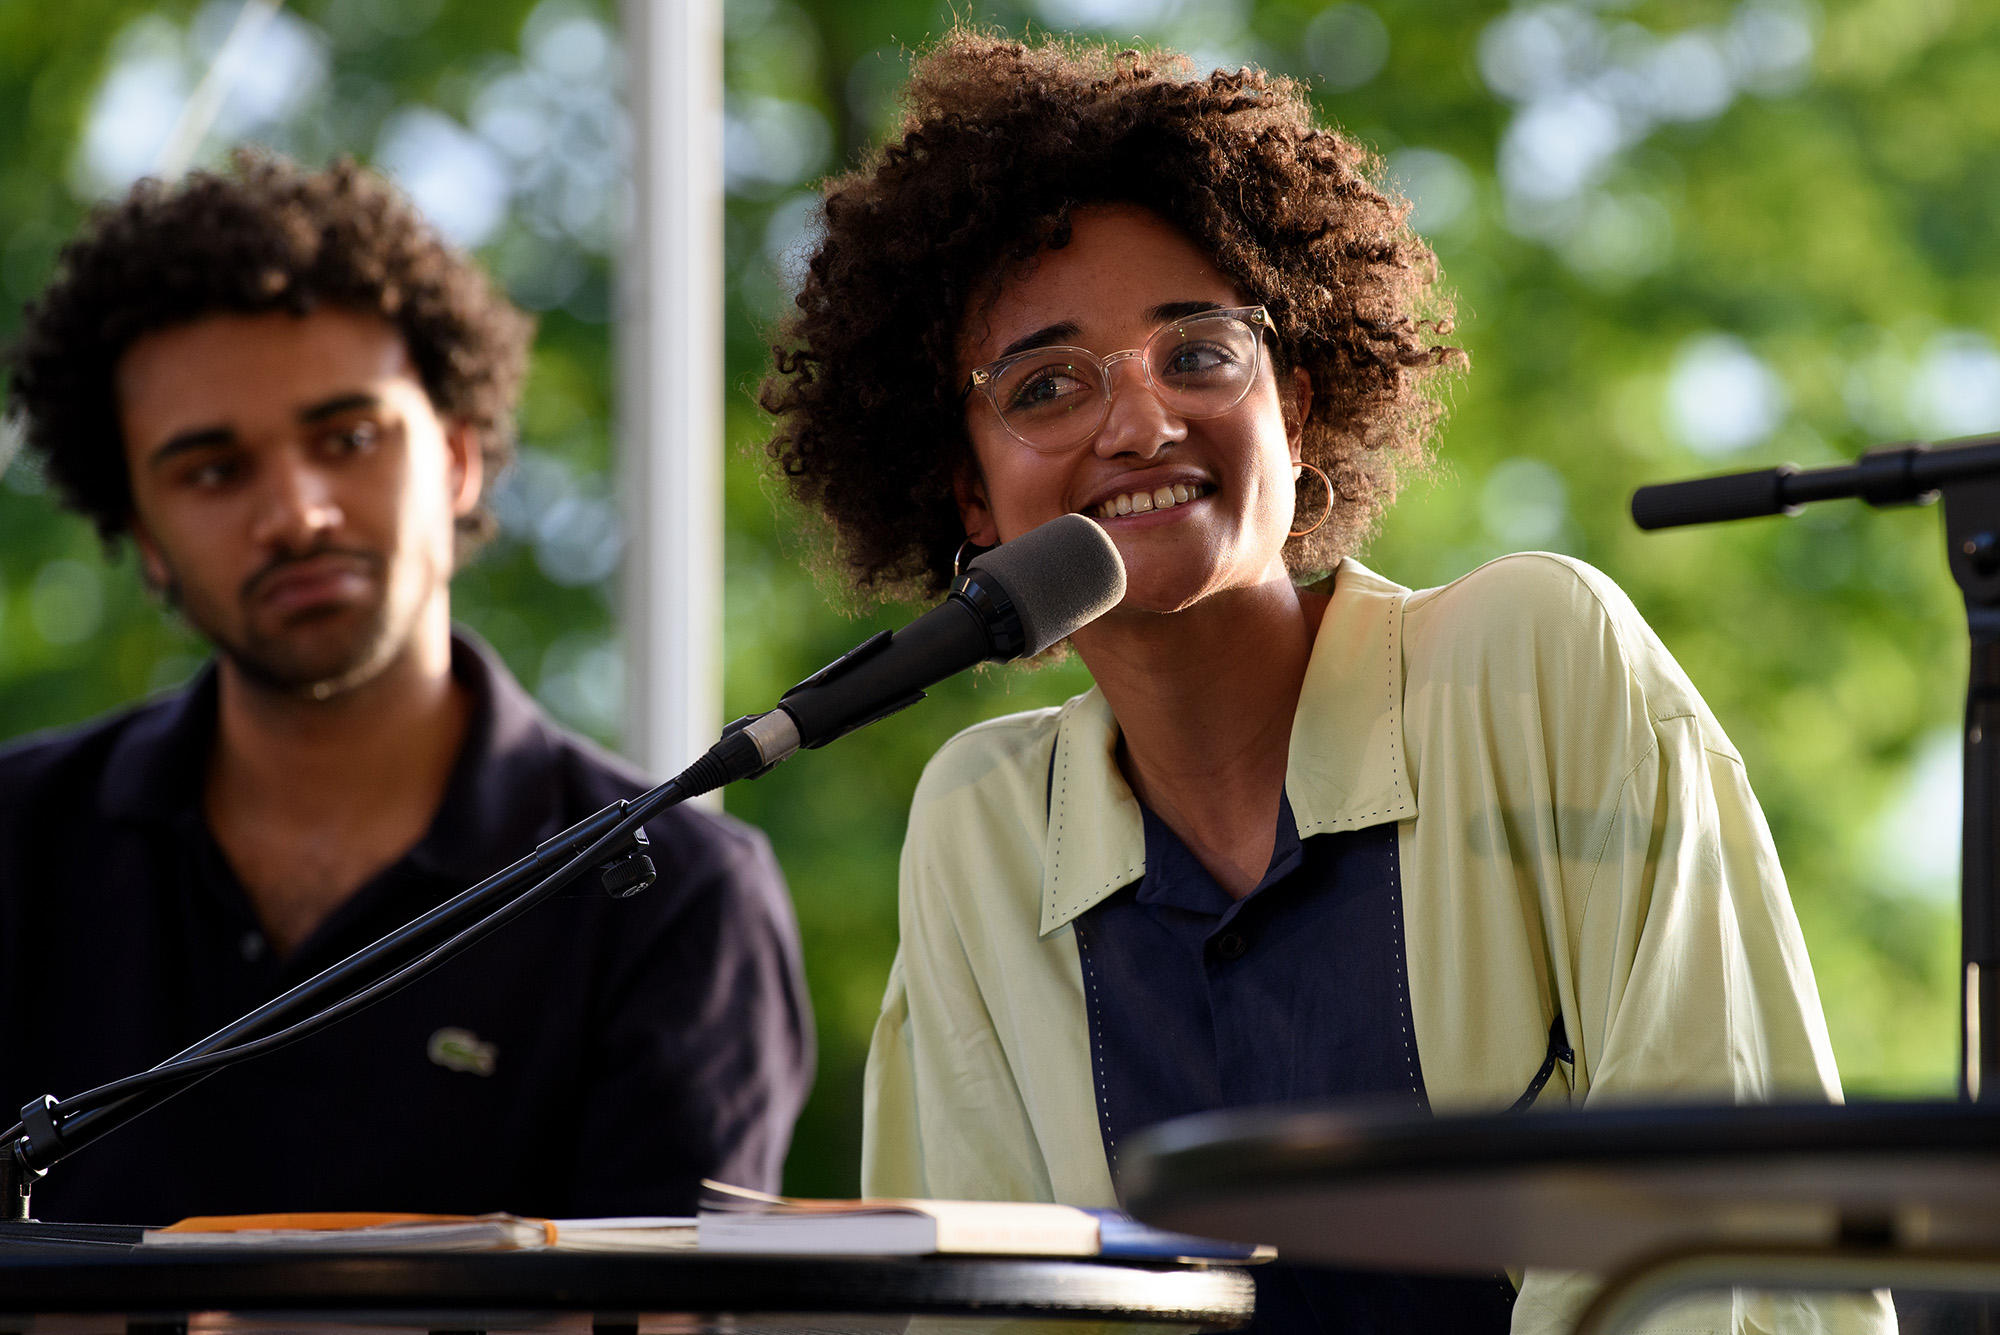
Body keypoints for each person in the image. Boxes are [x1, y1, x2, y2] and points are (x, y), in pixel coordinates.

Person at [760, 29, 1890, 1335]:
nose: (1138, 425)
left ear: (1295, 414)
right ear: (971, 492)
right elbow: (982, 1306)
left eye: (1197, 354)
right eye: (1047, 384)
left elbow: (1714, 1235)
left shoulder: (1534, 661)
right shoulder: (983, 830)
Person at [0, 153, 812, 1223]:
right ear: (142, 535)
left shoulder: (674, 898)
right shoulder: (14, 847)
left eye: (348, 438)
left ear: (459, 458)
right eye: (211, 469)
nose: (296, 512)